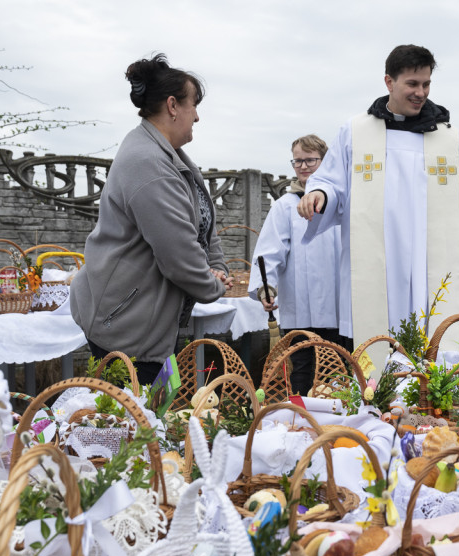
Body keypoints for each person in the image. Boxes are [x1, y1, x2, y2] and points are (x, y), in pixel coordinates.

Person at [297, 44, 459, 353]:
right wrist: (319, 194)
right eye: (412, 84)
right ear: (389, 82)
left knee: (436, 353)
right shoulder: (355, 132)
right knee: (377, 358)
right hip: (378, 265)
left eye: (426, 84)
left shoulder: (448, 138)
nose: (421, 92)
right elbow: (332, 182)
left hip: (430, 265)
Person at [70, 54, 228, 385]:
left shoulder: (169, 156)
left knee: (149, 424)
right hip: (128, 329)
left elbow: (202, 223)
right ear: (173, 105)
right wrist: (213, 285)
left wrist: (219, 266)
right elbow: (178, 255)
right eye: (193, 105)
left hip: (149, 322)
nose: (196, 115)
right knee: (133, 430)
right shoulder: (148, 163)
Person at [247, 134, 345, 395]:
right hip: (301, 309)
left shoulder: (339, 206)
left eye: (309, 160)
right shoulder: (285, 207)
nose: (302, 166)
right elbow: (268, 253)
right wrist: (264, 288)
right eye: (297, 161)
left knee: (339, 373)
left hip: (338, 309)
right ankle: (302, 423)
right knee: (303, 371)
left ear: (324, 162)